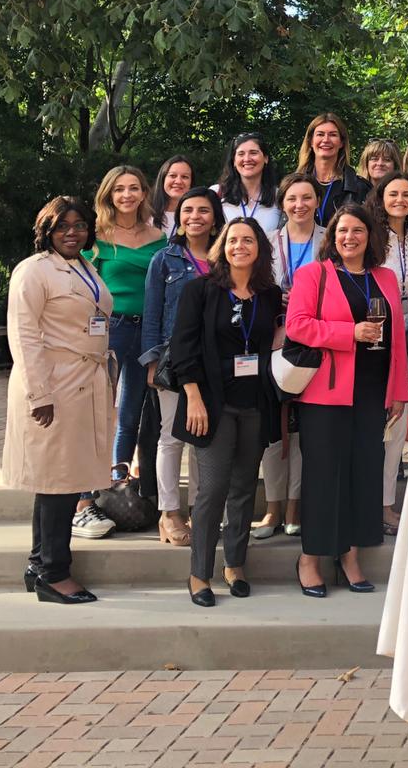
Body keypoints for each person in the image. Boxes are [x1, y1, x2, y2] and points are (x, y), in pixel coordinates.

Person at [284, 202, 408, 597]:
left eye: (357, 230)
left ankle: (350, 555)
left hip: (373, 390)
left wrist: (399, 390)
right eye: (342, 231)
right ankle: (311, 558)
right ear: (332, 236)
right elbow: (297, 325)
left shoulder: (386, 277)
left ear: (370, 236)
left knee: (363, 473)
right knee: (324, 476)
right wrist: (348, 334)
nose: (349, 237)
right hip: (327, 390)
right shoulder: (313, 275)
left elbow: (398, 337)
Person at [167, 217, 283, 607]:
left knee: (244, 489)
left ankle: (235, 563)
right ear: (222, 245)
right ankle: (200, 573)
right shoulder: (200, 290)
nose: (240, 246)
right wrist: (194, 398)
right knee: (212, 490)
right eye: (233, 240)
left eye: (248, 240)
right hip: (212, 405)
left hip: (254, 404)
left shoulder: (269, 294)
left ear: (259, 248)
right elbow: (183, 348)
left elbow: (271, 343)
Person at [4, 197, 115, 603]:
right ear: (46, 230)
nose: (72, 232)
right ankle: (54, 572)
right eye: (62, 226)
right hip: (54, 383)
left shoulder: (85, 267)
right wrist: (40, 394)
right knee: (58, 482)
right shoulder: (33, 271)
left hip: (84, 380)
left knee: (61, 479)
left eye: (80, 224)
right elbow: (23, 334)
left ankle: (39, 564)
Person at [141, 188, 223, 548]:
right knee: (171, 437)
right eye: (188, 210)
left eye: (203, 210)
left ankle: (199, 512)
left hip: (217, 362)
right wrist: (152, 360)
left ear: (215, 217)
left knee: (205, 438)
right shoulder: (164, 260)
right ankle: (170, 513)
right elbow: (153, 313)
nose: (195, 216)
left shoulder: (226, 258)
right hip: (175, 360)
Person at [85, 165, 167, 523]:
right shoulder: (96, 236)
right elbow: (84, 286)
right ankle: (86, 488)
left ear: (144, 194)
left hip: (146, 330)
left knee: (131, 412)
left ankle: (118, 479)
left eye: (134, 188)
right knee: (98, 411)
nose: (127, 195)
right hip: (109, 329)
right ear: (109, 195)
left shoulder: (159, 237)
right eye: (119, 189)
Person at [257, 173, 324, 539]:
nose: (299, 205)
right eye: (292, 199)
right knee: (275, 428)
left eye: (307, 198)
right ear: (282, 204)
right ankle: (271, 509)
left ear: (316, 201)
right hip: (274, 341)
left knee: (303, 429)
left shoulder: (330, 239)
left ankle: (296, 506)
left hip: (315, 344)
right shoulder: (267, 242)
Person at [373, 172, 408, 534]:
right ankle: (367, 501)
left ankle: (387, 504)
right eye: (393, 194)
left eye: (407, 194)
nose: (400, 200)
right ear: (381, 197)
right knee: (375, 426)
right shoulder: (372, 236)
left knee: (398, 423)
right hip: (376, 339)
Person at [297, 112, 366, 225]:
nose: (326, 140)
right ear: (311, 141)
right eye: (320, 134)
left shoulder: (359, 188)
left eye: (333, 135)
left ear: (341, 143)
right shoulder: (293, 185)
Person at [218, 132, 283, 233]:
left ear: (266, 158)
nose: (247, 159)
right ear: (234, 161)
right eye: (241, 154)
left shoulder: (279, 196)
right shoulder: (218, 193)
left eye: (253, 153)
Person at [151, 156, 196, 239]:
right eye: (173, 175)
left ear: (191, 182)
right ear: (163, 179)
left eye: (185, 177)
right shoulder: (145, 215)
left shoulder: (196, 217)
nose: (178, 181)